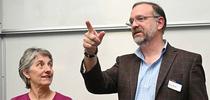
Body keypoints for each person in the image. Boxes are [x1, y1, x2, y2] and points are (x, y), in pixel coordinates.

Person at [80, 1, 208, 100]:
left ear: (160, 23)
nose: (134, 25)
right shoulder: (124, 63)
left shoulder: (188, 62)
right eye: (131, 21)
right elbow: (96, 86)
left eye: (140, 19)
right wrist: (90, 53)